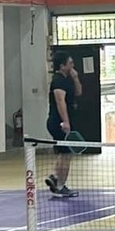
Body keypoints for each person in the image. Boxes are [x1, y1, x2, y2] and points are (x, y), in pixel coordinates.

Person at [45, 50, 82, 198]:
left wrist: (76, 77)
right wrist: (65, 121)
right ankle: (60, 186)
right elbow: (60, 102)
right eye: (70, 63)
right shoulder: (58, 81)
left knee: (64, 152)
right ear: (62, 66)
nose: (72, 65)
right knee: (67, 154)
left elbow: (79, 92)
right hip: (58, 122)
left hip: (64, 121)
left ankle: (55, 178)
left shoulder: (67, 79)